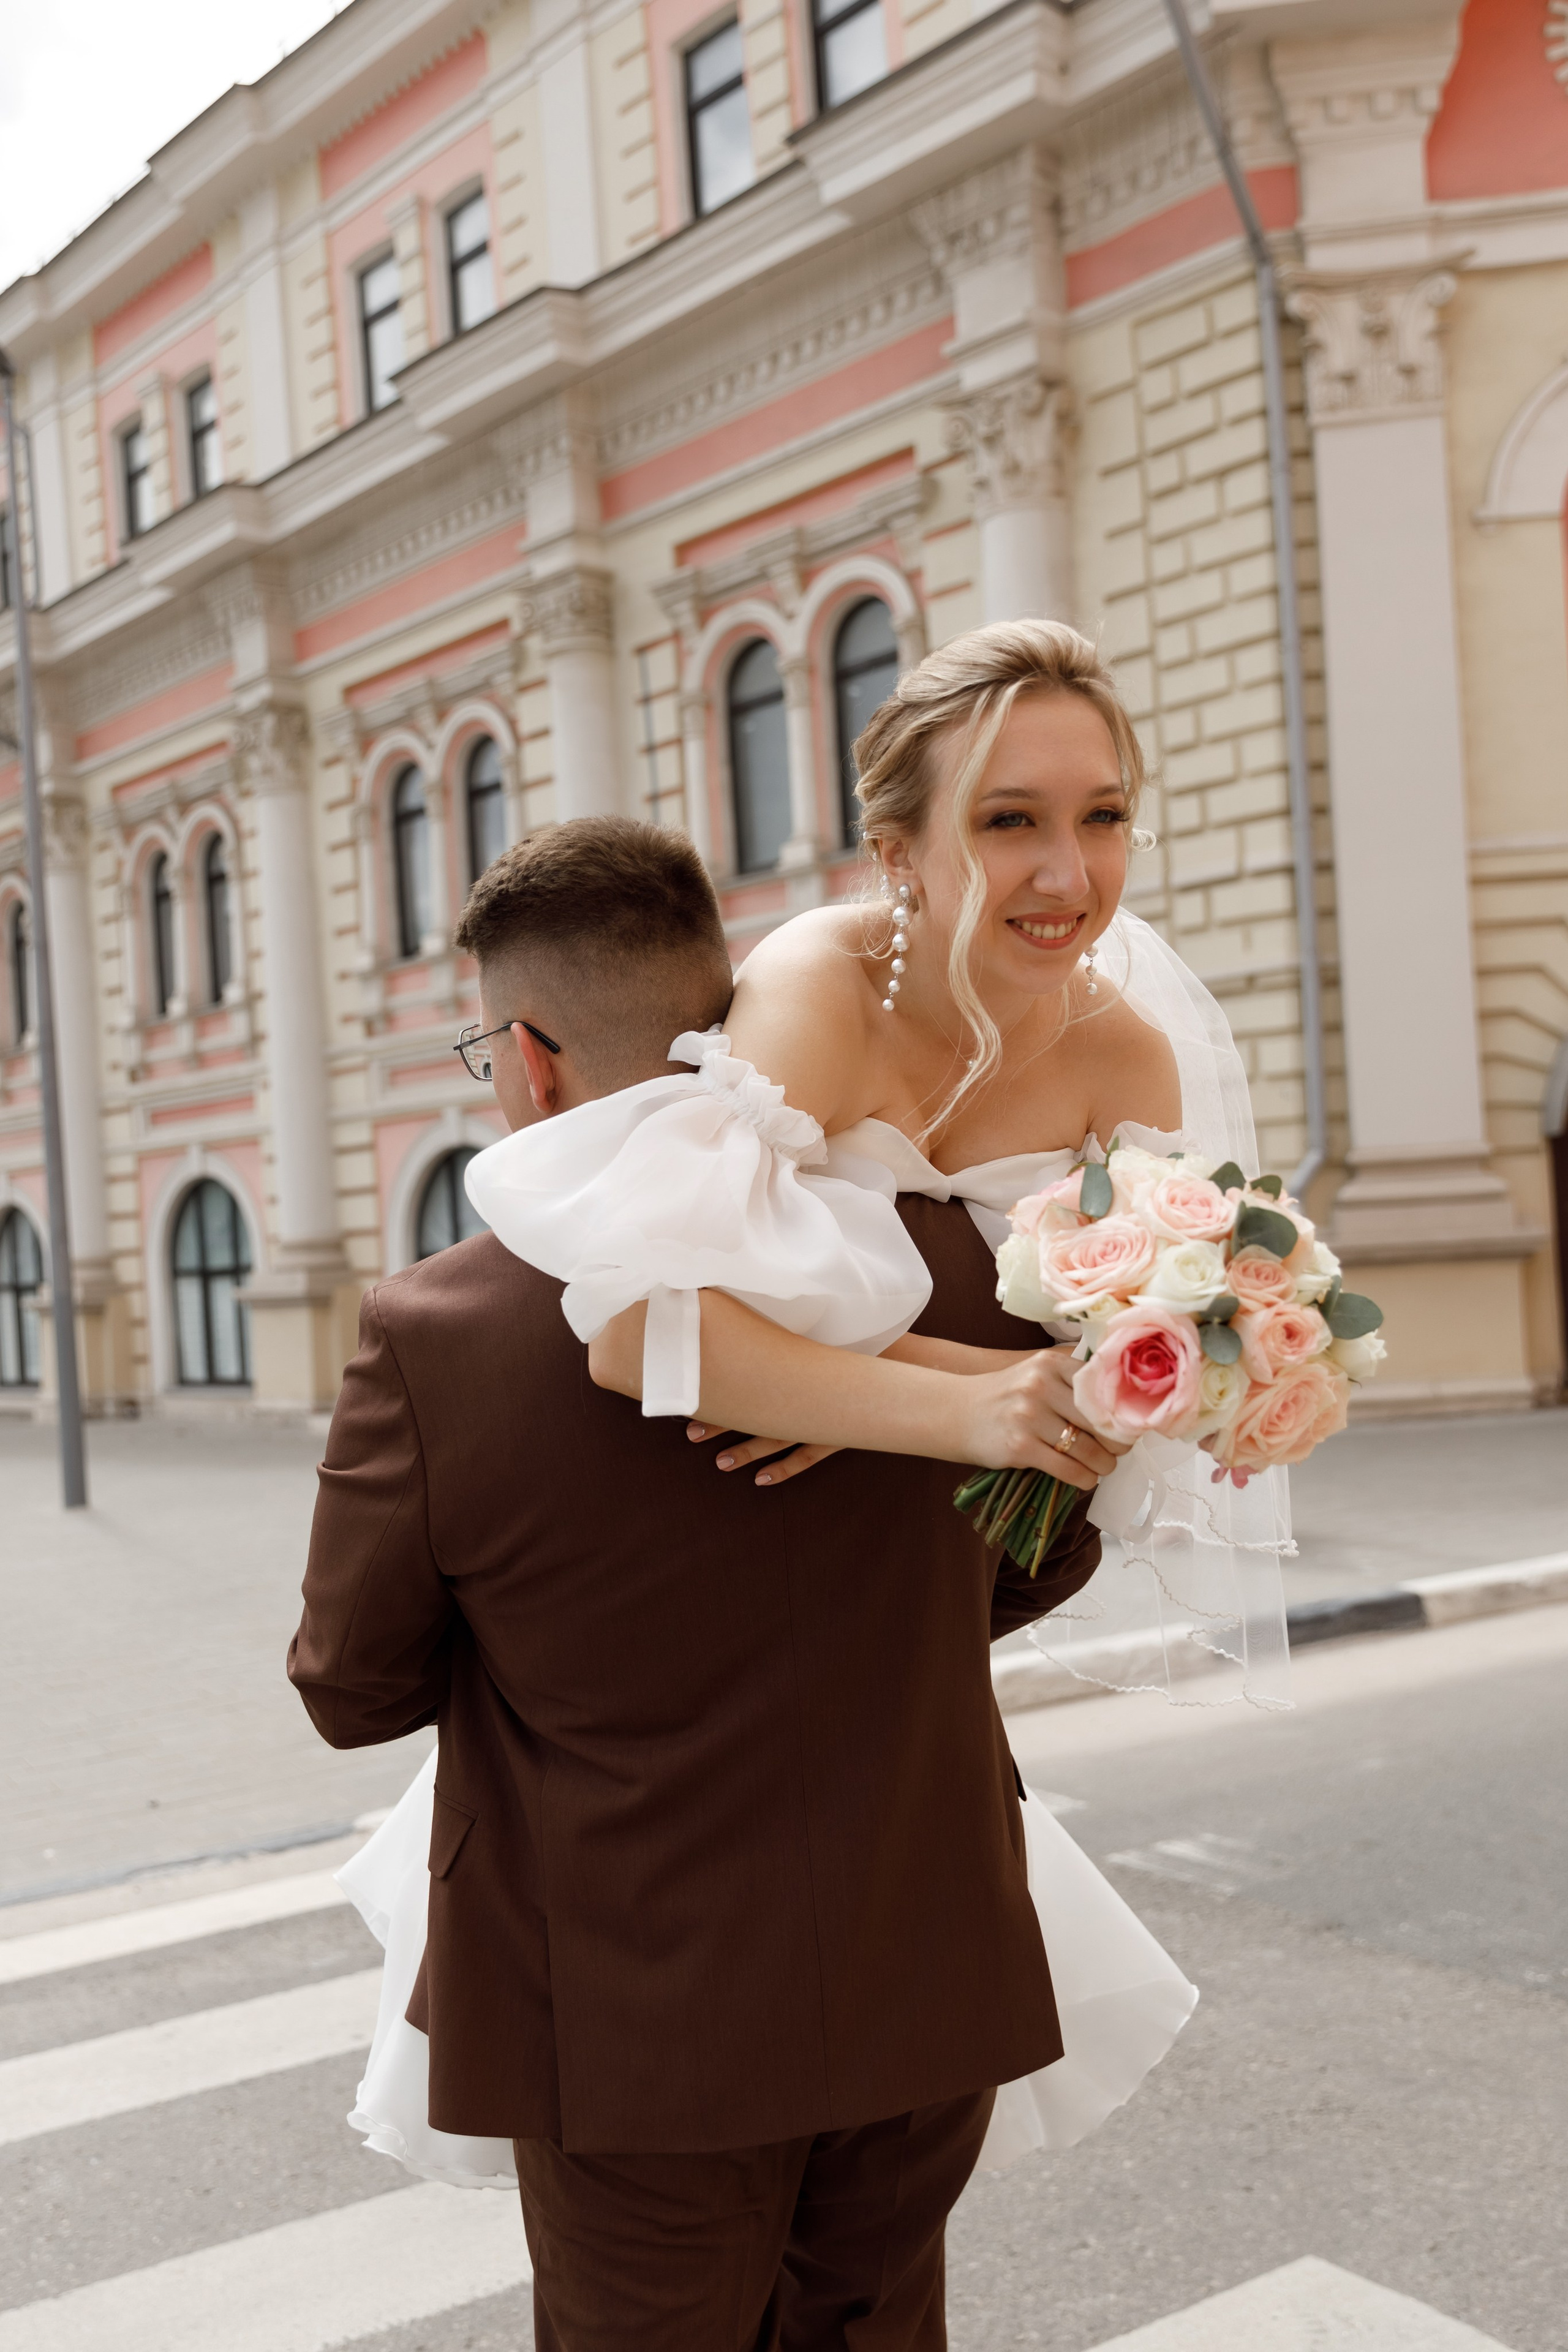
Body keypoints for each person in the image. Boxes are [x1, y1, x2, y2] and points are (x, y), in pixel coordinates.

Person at [290, 812, 1131, 2352]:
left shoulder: (440, 1329)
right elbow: (1036, 1554)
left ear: (530, 1057)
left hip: (627, 2017)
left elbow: (351, 1689)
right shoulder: (944, 1266)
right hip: (919, 1965)